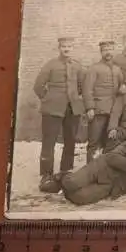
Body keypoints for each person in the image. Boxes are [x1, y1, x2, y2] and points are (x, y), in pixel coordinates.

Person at [33, 37, 85, 193]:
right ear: (59, 48)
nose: (67, 49)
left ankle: (66, 171)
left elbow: (81, 86)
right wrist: (49, 99)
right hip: (53, 109)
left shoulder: (77, 66)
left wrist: (74, 99)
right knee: (49, 142)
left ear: (73, 47)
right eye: (64, 46)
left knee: (70, 141)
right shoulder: (51, 65)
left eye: (69, 46)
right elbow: (38, 86)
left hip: (72, 109)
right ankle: (46, 175)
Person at [83, 40, 125, 163]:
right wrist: (89, 107)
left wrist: (123, 88)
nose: (108, 52)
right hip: (98, 110)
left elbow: (122, 85)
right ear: (101, 52)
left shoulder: (117, 69)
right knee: (94, 142)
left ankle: (105, 170)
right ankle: (90, 170)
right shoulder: (94, 68)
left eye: (110, 49)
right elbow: (87, 89)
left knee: (110, 142)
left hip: (113, 112)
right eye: (105, 50)